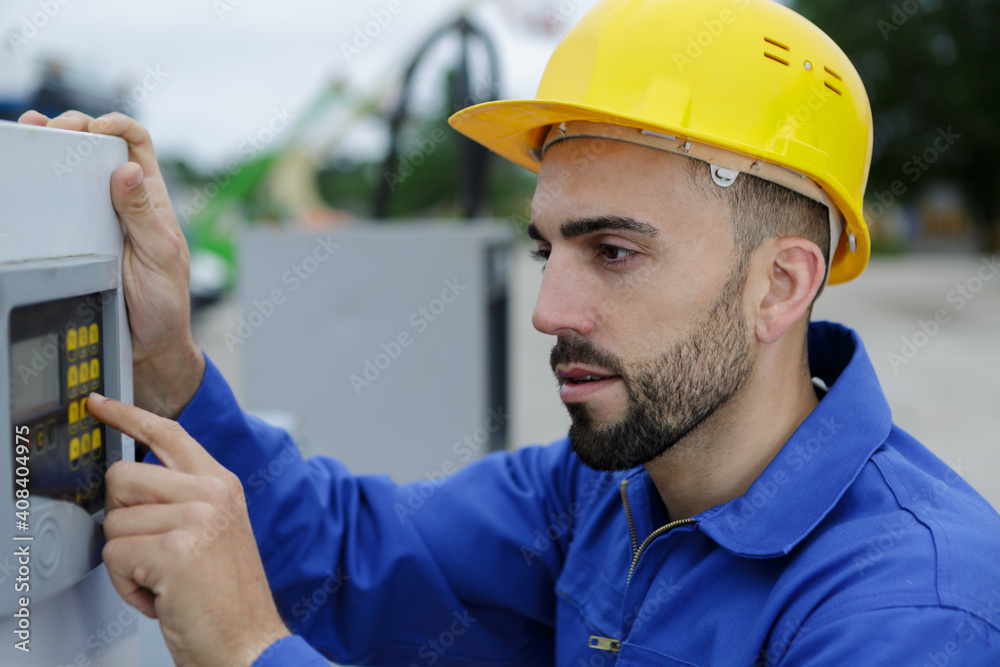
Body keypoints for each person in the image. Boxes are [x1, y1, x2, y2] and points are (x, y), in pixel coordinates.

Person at [20, 0, 1000, 665]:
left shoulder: (909, 609)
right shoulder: (605, 493)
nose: (549, 311)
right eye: (547, 251)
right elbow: (349, 551)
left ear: (780, 283)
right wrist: (165, 357)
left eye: (612, 251)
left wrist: (251, 649)